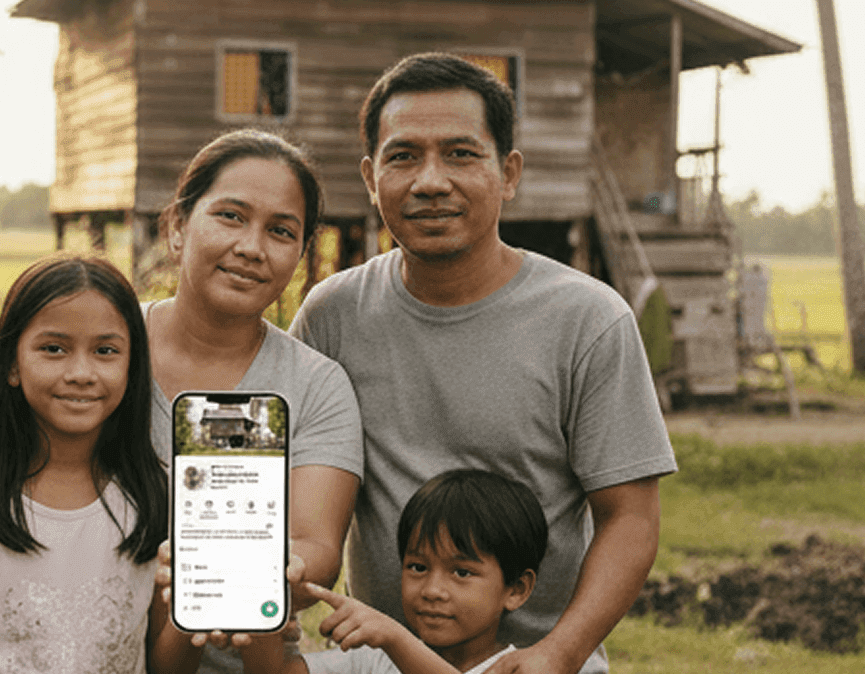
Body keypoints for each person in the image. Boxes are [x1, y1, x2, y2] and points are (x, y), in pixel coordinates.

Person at [0, 130, 365, 674]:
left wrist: (225, 571)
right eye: (231, 216)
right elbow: (0, 472)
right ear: (177, 227)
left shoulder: (316, 384)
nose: (251, 247)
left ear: (301, 253)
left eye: (281, 231)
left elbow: (317, 550)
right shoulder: (102, 338)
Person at [288, 53, 677, 674]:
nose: (431, 180)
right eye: (403, 156)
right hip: (383, 659)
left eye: (461, 154)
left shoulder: (588, 320)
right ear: (370, 176)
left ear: (509, 172)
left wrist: (558, 653)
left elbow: (629, 518)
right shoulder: (333, 313)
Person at [0, 255, 198, 673]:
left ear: (132, 365)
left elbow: (168, 669)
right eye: (53, 349)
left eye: (105, 350)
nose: (81, 372)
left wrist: (200, 607)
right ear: (11, 363)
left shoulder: (162, 495)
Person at [241, 468, 548, 674]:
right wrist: (262, 625)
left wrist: (395, 637)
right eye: (418, 567)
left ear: (516, 589)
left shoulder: (521, 668)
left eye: (461, 572)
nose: (431, 590)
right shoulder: (371, 662)